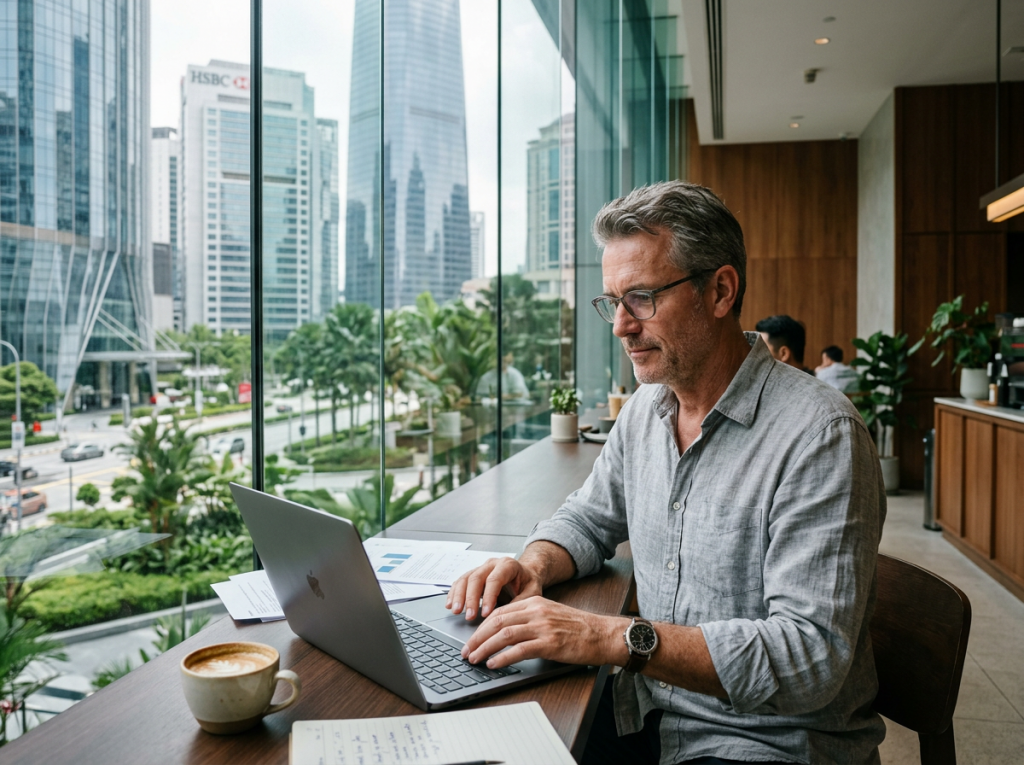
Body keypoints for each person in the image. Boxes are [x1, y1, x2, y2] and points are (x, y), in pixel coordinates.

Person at [446, 181, 886, 764]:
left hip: (767, 743)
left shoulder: (820, 434)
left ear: (720, 291)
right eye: (612, 302)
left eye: (642, 298)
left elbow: (809, 657)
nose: (621, 326)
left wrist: (607, 635)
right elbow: (589, 515)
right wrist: (532, 565)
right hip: (651, 713)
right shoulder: (647, 411)